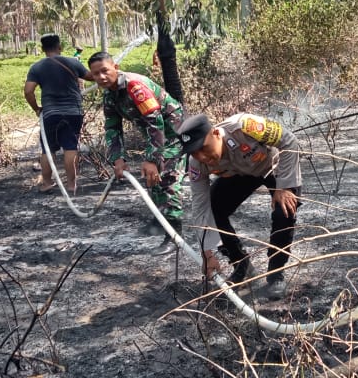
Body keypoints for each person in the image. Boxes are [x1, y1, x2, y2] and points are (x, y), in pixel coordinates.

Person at [178, 113, 302, 300]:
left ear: (216, 134)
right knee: (214, 209)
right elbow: (200, 206)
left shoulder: (245, 126)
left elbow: (289, 141)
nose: (202, 156)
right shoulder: (196, 164)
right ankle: (241, 265)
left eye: (203, 148)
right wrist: (207, 253)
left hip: (272, 164)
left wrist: (284, 187)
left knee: (284, 211)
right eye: (194, 152)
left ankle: (276, 274)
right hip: (240, 174)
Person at [89, 52, 185, 254]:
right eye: (96, 74)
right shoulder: (109, 95)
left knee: (167, 179)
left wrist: (152, 159)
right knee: (153, 179)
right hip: (157, 135)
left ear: (115, 66)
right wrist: (118, 159)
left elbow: (155, 120)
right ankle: (160, 221)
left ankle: (175, 235)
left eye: (105, 71)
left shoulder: (134, 86)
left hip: (175, 133)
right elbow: (112, 128)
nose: (101, 77)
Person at [24, 34, 92, 194]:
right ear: (60, 47)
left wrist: (37, 108)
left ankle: (47, 183)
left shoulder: (37, 67)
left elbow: (28, 91)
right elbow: (91, 77)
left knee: (48, 150)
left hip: (50, 113)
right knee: (70, 147)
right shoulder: (73, 62)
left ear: (42, 49)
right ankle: (71, 185)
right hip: (73, 112)